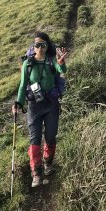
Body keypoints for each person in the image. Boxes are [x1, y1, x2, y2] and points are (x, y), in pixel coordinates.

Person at [12, 31, 68, 188]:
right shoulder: (27, 64)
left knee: (50, 137)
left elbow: (62, 70)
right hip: (34, 106)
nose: (40, 48)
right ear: (33, 46)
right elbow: (23, 86)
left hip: (51, 104)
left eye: (44, 45)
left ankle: (48, 164)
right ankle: (36, 173)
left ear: (47, 46)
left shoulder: (52, 61)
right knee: (35, 139)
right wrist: (18, 103)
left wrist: (61, 62)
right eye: (37, 45)